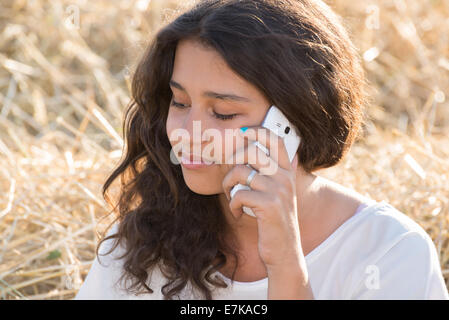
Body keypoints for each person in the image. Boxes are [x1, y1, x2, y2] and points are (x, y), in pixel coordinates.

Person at [74, 0, 449, 300]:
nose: (188, 133)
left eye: (223, 112)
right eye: (180, 102)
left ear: (293, 120)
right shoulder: (143, 244)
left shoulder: (391, 252)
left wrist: (285, 262)